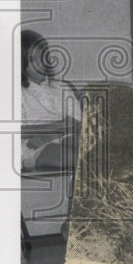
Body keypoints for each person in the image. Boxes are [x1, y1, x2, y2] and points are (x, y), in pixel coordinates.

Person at [20, 29, 81, 171]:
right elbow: (18, 130)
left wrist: (51, 134)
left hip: (66, 135)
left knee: (96, 151)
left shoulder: (61, 87)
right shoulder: (17, 92)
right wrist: (61, 125)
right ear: (20, 63)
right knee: (70, 158)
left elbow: (78, 121)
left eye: (42, 57)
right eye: (32, 60)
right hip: (34, 145)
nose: (39, 64)